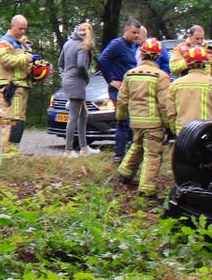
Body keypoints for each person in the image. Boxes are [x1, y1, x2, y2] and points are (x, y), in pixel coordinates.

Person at [116, 38, 176, 196]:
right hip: (153, 124)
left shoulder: (130, 74)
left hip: (135, 121)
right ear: (157, 57)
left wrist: (121, 116)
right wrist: (169, 125)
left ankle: (124, 173)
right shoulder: (161, 76)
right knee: (152, 154)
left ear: (141, 55)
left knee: (136, 146)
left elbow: (122, 99)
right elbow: (164, 105)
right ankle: (146, 189)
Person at [99, 18, 143, 162]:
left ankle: (131, 152)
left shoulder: (134, 47)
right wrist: (111, 80)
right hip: (119, 89)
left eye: (138, 33)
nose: (136, 35)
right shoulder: (117, 44)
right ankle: (119, 155)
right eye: (133, 32)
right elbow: (102, 60)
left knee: (132, 121)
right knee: (123, 121)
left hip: (132, 89)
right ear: (126, 31)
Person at [0, 14, 36, 156]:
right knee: (10, 120)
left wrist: (37, 69)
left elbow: (25, 65)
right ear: (12, 27)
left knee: (19, 120)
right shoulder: (4, 43)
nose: (23, 31)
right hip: (9, 87)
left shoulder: (24, 44)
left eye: (25, 29)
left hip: (22, 86)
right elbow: (5, 59)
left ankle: (13, 151)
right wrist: (26, 58)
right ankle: (7, 153)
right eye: (20, 28)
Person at [58, 22, 98, 157]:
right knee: (73, 117)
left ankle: (84, 148)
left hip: (67, 80)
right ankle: (68, 150)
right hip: (77, 82)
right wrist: (86, 78)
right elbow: (81, 65)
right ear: (90, 33)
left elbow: (60, 63)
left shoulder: (68, 43)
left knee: (83, 114)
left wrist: (69, 73)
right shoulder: (83, 46)